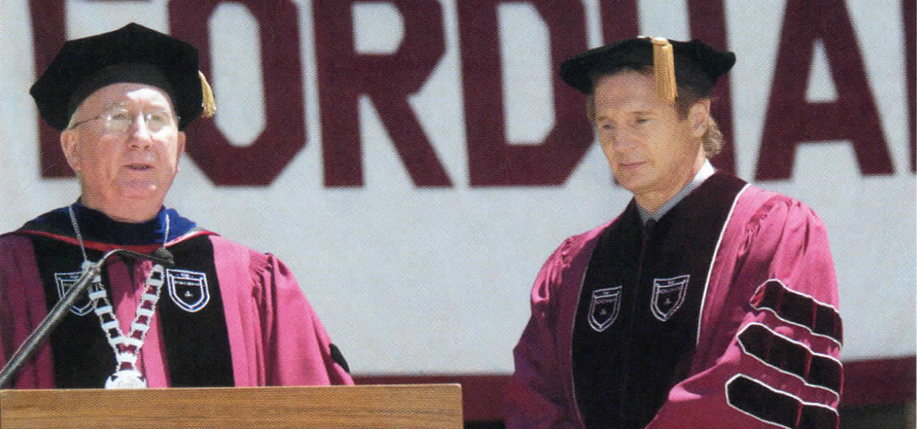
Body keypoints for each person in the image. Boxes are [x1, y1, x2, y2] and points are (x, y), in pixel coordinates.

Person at [504, 37, 842, 428]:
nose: (620, 142)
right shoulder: (575, 266)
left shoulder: (774, 230)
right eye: (606, 125)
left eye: (640, 119)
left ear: (698, 118)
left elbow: (757, 383)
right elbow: (535, 400)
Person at [0, 23, 352, 388]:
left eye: (157, 120)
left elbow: (319, 410)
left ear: (179, 149)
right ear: (72, 148)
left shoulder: (246, 280)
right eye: (118, 118)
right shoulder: (13, 269)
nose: (141, 138)